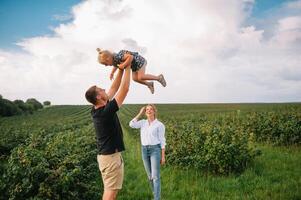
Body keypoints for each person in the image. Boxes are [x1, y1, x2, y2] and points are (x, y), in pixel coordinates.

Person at [85, 65, 131, 200]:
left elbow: (114, 88)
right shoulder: (105, 112)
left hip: (107, 158)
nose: (105, 89)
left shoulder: (97, 109)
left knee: (109, 191)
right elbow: (125, 89)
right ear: (99, 96)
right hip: (110, 159)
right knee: (110, 194)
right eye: (101, 89)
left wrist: (121, 69)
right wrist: (128, 66)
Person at [129, 104, 166, 200]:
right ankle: (155, 194)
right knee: (149, 176)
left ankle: (157, 198)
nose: (149, 111)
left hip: (155, 150)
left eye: (151, 109)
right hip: (144, 150)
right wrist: (140, 113)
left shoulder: (159, 125)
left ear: (154, 111)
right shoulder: (142, 123)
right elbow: (131, 124)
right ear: (145, 112)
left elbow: (162, 141)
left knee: (155, 176)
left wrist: (163, 156)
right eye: (147, 110)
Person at [96, 48, 167, 94]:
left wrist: (124, 65)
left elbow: (130, 57)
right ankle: (149, 84)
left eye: (105, 64)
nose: (106, 65)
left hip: (140, 61)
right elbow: (115, 66)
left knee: (141, 77)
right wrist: (112, 72)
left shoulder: (118, 56)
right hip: (134, 66)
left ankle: (158, 78)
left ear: (108, 59)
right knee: (135, 78)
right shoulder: (114, 60)